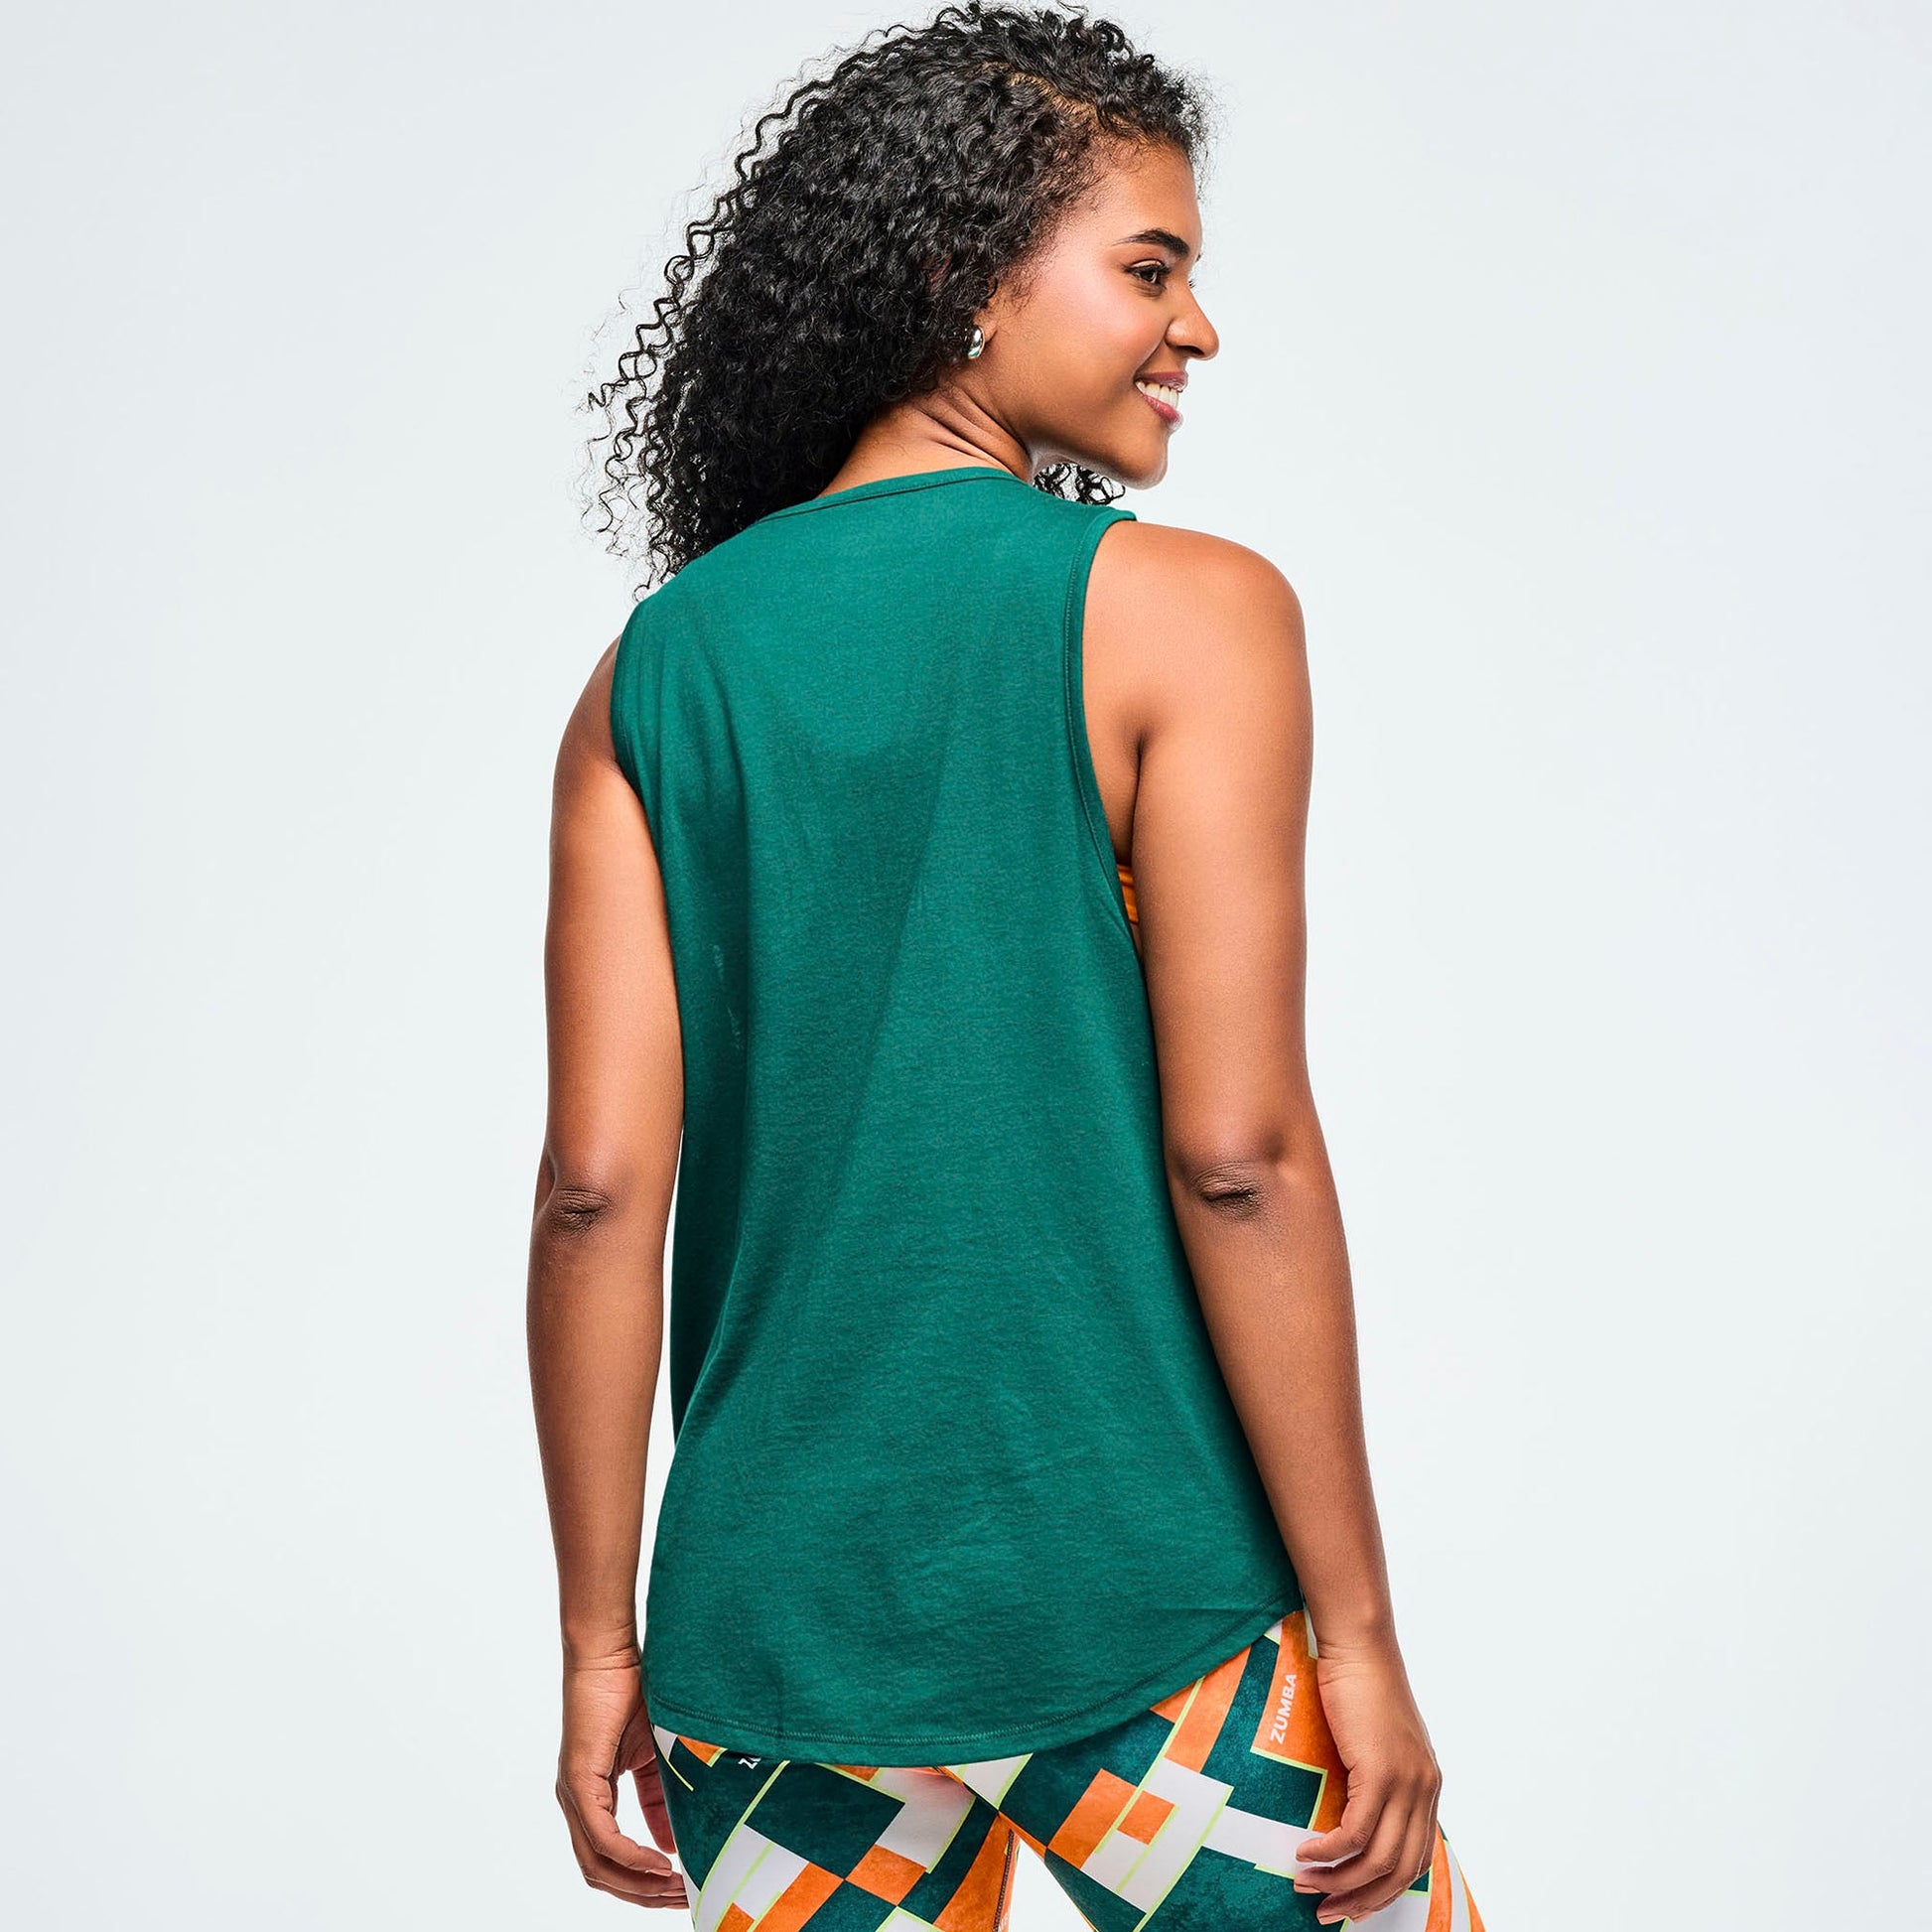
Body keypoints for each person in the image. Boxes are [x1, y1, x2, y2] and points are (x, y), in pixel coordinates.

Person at [528, 6, 1484, 1927]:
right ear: (966, 277)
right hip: (1149, 1624)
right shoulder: (1186, 614)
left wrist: (599, 1643)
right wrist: (1360, 1634)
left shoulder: (654, 673)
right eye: (1150, 269)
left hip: (770, 1661)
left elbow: (595, 1190)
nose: (1194, 328)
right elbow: (1237, 1154)